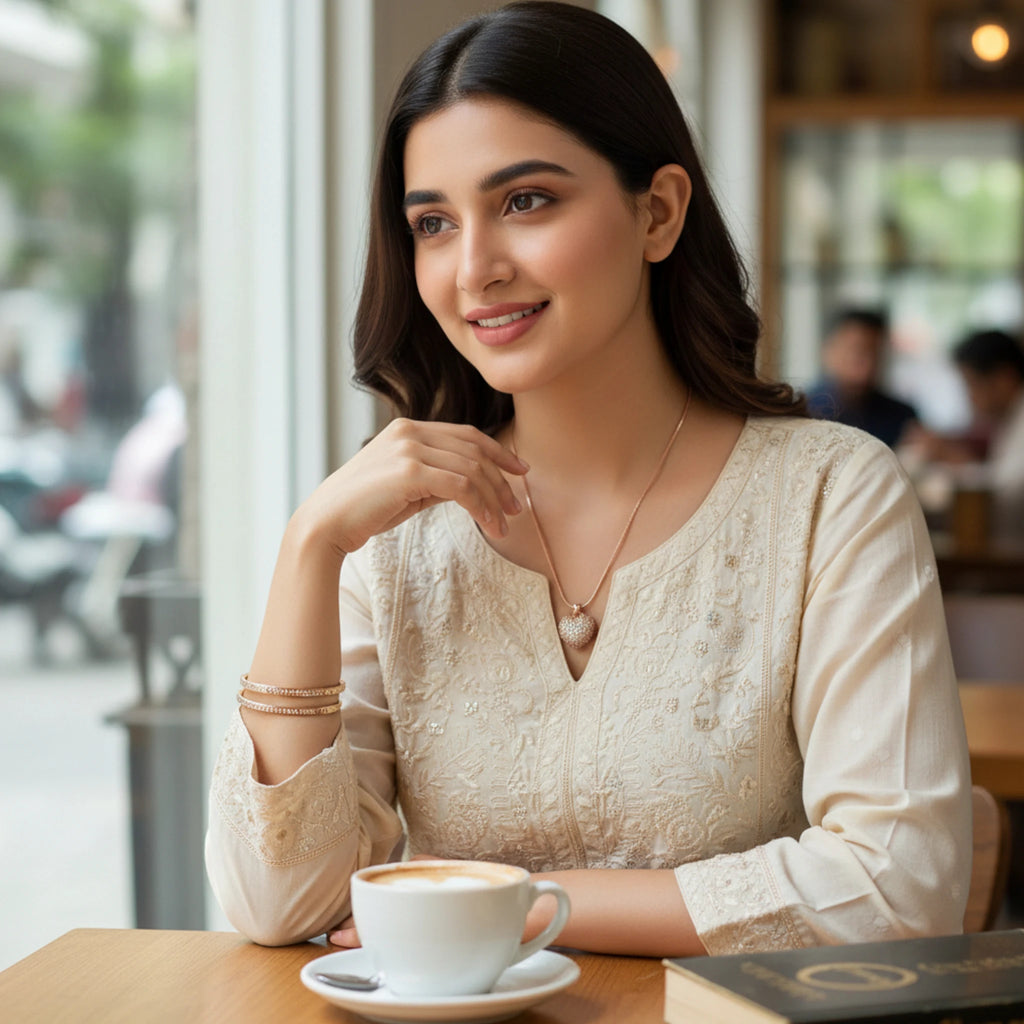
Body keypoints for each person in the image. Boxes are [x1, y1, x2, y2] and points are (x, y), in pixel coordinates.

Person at [205, 1, 971, 958]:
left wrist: (517, 908)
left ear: (658, 212)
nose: (474, 267)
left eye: (526, 201)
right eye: (434, 223)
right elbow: (278, 906)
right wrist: (309, 546)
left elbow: (903, 886)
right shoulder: (393, 541)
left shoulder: (829, 494)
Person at [806, 308, 919, 448]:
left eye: (877, 353)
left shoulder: (902, 418)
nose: (869, 362)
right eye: (858, 350)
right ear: (828, 350)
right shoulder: (804, 412)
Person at [951, 330, 1024, 544]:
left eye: (973, 384)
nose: (970, 397)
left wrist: (960, 463)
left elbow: (1010, 492)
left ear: (1004, 379)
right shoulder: (1008, 417)